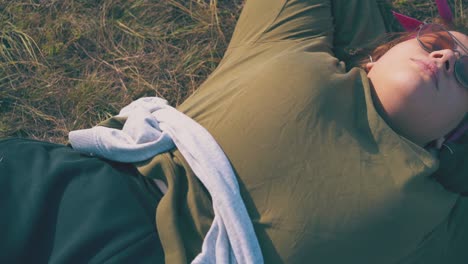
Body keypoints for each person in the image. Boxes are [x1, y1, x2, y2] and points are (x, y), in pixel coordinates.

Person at [1, 1, 468, 264]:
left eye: (465, 73)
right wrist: (377, 42)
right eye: (436, 42)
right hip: (80, 194)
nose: (446, 58)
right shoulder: (290, 46)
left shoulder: (439, 218)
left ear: (453, 133)